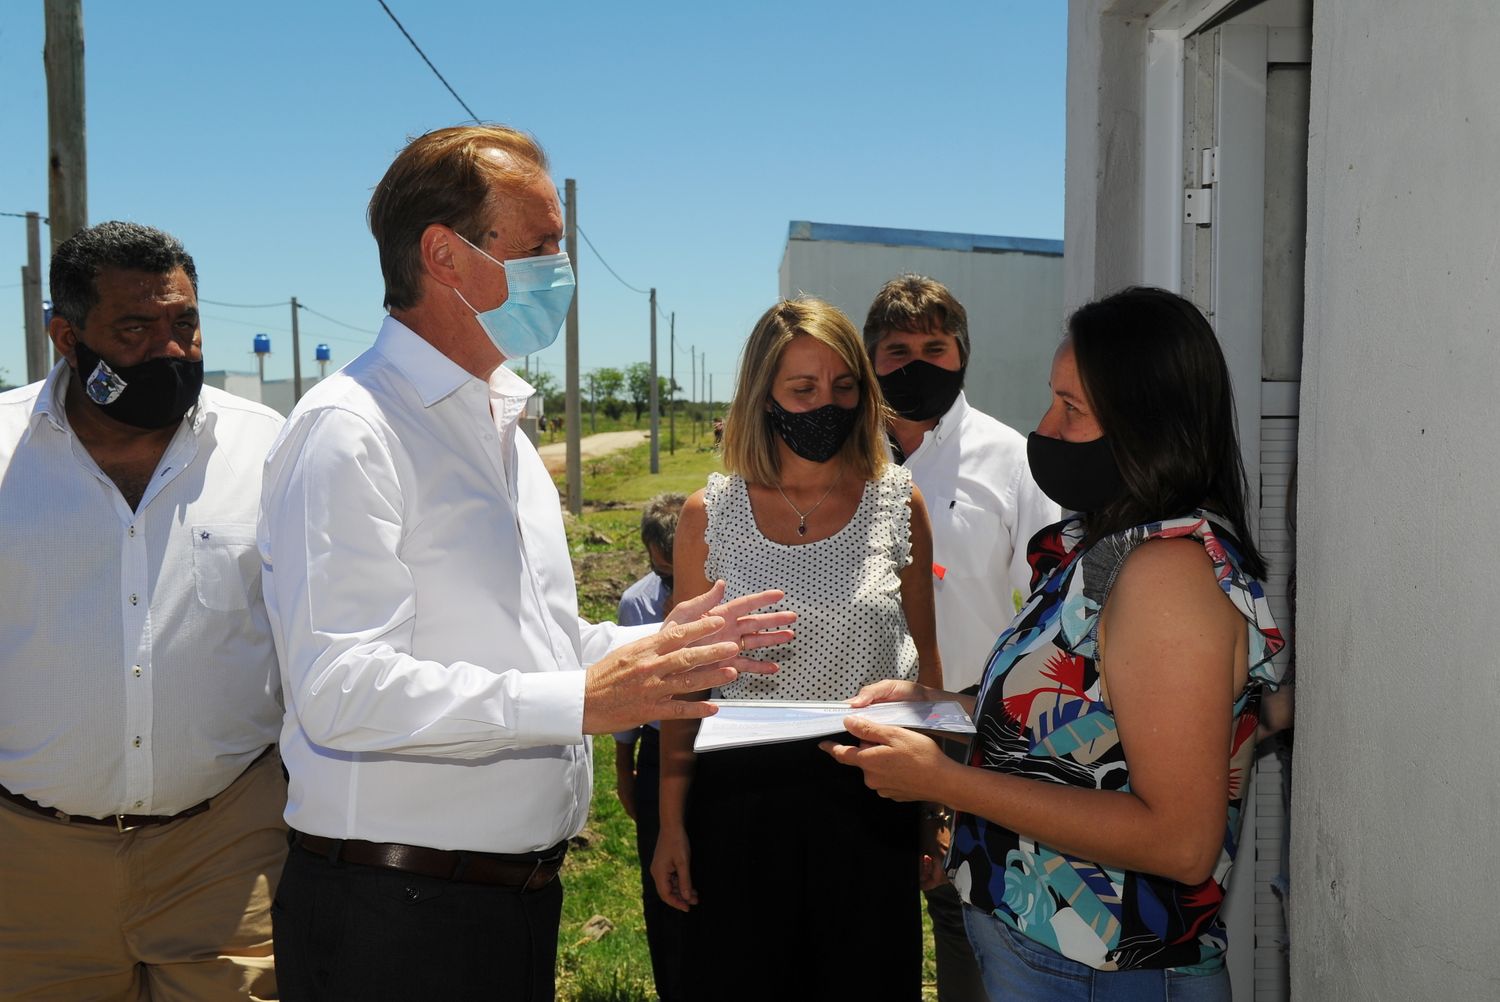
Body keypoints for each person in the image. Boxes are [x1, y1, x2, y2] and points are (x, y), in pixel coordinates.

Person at [258, 124, 792, 1002]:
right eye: (541, 244)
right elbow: (341, 687)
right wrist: (584, 701)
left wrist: (653, 648)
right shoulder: (351, 431)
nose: (562, 269)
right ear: (446, 255)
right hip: (394, 917)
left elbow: (531, 639)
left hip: (502, 901)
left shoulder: (497, 424)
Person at [825, 286, 1285, 1001]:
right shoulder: (1104, 544)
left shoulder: (1167, 575)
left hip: (1104, 973)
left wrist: (945, 782)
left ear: (1146, 425)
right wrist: (935, 706)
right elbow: (1070, 721)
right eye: (1053, 399)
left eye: (1072, 409)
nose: (1045, 426)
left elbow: (1180, 843)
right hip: (1048, 957)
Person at [0, 221, 287, 999]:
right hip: (30, 866)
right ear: (66, 336)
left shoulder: (269, 449)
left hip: (225, 854)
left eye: (184, 323)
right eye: (136, 328)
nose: (171, 350)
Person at [651, 298, 943, 1001]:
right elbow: (685, 690)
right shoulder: (708, 514)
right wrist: (671, 824)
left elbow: (926, 665)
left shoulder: (898, 501)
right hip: (738, 806)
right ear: (763, 395)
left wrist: (937, 804)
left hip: (870, 797)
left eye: (844, 388)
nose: (826, 405)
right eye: (803, 390)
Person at [864, 274, 1059, 1002]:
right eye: (897, 350)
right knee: (867, 914)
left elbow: (1048, 608)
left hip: (972, 729)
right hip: (866, 721)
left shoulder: (1011, 461)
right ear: (871, 360)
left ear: (963, 354)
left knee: (969, 917)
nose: (916, 364)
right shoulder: (851, 464)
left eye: (935, 348)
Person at [612, 492, 688, 1002]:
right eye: (663, 573)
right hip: (660, 749)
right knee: (661, 875)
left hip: (718, 750)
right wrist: (624, 768)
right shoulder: (637, 602)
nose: (671, 588)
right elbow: (629, 698)